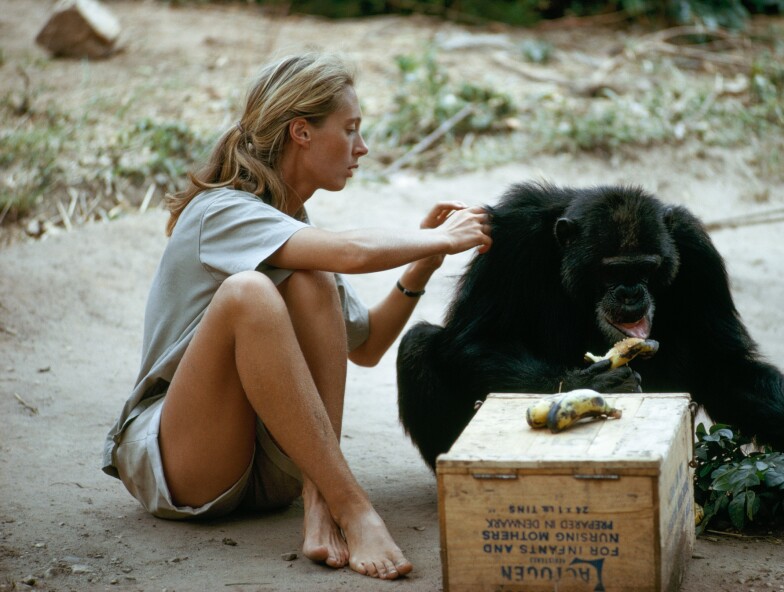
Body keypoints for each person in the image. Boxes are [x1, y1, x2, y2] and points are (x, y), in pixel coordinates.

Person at [101, 52, 492, 580]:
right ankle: (350, 505)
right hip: (188, 464)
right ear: (301, 132)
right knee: (249, 294)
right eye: (350, 129)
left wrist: (425, 262)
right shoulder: (221, 211)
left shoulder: (292, 227)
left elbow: (369, 344)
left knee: (311, 279)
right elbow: (350, 251)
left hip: (272, 470)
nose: (363, 147)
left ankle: (319, 500)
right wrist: (442, 235)